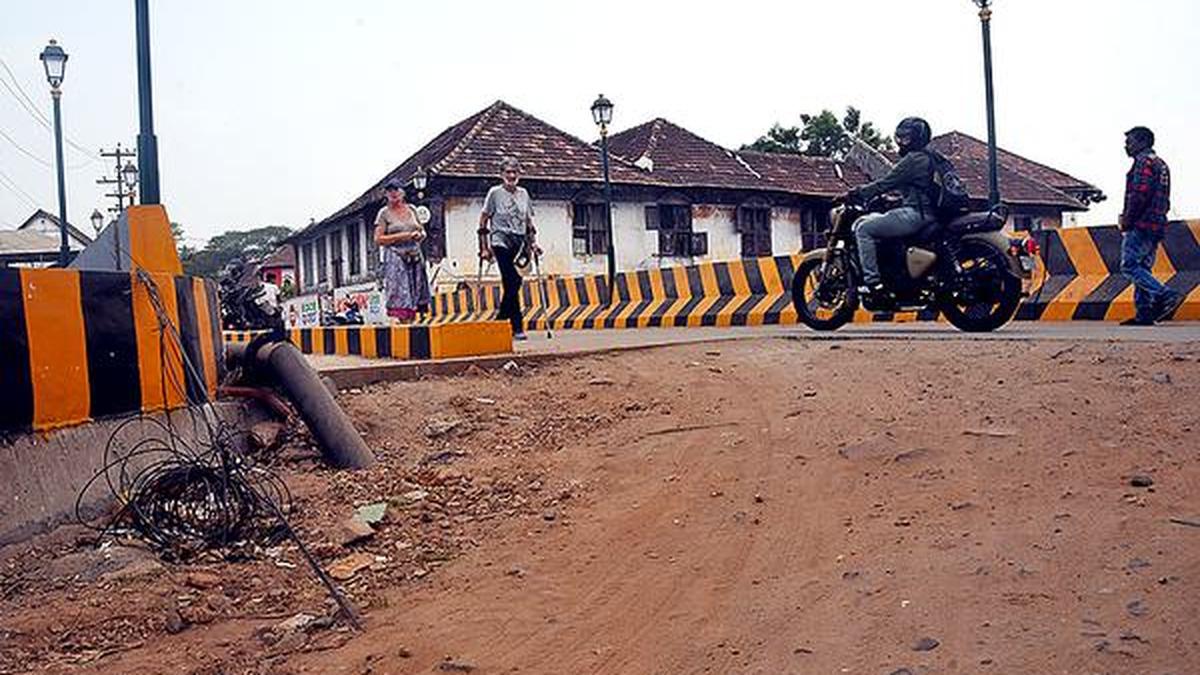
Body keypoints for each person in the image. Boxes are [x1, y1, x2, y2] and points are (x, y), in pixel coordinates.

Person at [844, 117, 937, 305]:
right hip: (930, 213)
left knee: (864, 229)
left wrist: (857, 193)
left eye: (906, 138)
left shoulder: (913, 159)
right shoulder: (933, 157)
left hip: (917, 215)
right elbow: (920, 189)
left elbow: (886, 183)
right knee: (877, 221)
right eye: (900, 138)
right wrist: (894, 200)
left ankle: (874, 284)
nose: (901, 142)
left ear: (916, 139)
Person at [1119, 126, 1182, 326]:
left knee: (1129, 265)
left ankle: (1165, 294)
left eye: (1129, 142)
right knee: (1143, 267)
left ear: (1142, 142)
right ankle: (1144, 313)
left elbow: (1139, 194)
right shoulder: (1161, 164)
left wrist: (1128, 219)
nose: (1126, 146)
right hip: (1157, 223)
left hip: (1141, 223)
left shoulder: (1142, 163)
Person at [479, 158, 539, 340]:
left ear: (519, 175)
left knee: (515, 283)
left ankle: (500, 321)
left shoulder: (524, 194)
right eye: (508, 172)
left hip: (520, 242)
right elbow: (483, 220)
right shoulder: (494, 193)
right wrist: (484, 247)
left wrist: (534, 243)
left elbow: (529, 222)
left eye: (515, 172)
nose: (511, 176)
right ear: (501, 175)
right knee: (510, 279)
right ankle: (517, 326)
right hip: (500, 240)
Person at [374, 181, 432, 323]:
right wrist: (403, 236)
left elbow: (421, 230)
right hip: (396, 254)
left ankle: (415, 322)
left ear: (403, 192)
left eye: (396, 190)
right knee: (401, 291)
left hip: (414, 253)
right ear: (386, 194)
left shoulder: (412, 209)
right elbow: (378, 239)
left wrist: (421, 235)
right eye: (390, 191)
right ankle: (404, 323)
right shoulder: (384, 213)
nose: (393, 193)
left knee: (417, 289)